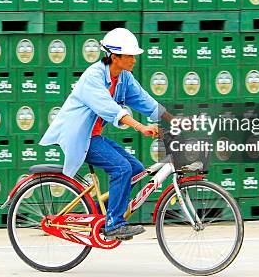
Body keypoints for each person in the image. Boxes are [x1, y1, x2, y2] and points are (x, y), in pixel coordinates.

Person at [40, 28, 171, 240]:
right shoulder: (93, 76)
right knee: (121, 168)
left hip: (95, 136)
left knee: (137, 170)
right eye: (129, 56)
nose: (133, 60)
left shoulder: (124, 78)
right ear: (114, 56)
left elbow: (144, 101)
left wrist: (175, 120)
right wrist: (141, 127)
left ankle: (105, 216)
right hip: (80, 137)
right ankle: (114, 224)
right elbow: (110, 109)